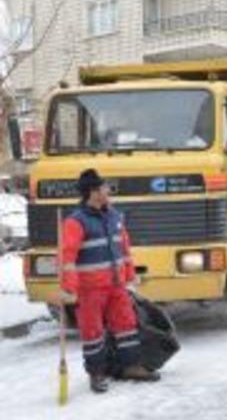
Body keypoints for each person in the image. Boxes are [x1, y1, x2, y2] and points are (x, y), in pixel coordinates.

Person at [52, 169, 160, 394]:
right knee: (93, 332)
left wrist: (129, 275)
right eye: (103, 188)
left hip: (116, 285)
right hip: (90, 289)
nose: (107, 191)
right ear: (93, 192)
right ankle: (97, 373)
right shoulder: (76, 222)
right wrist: (69, 288)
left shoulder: (113, 216)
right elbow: (66, 258)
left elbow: (124, 250)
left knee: (126, 325)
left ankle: (130, 366)